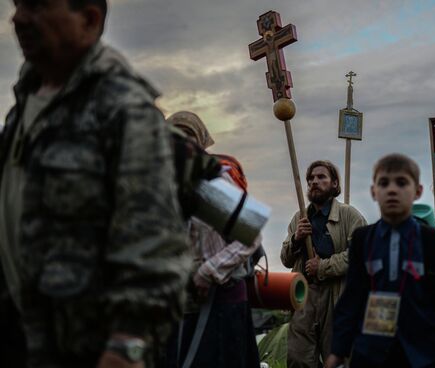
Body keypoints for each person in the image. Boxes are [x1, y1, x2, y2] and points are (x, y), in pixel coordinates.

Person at [0, 1, 190, 367]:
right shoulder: (24, 105)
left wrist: (126, 349)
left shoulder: (123, 108)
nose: (19, 18)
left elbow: (156, 250)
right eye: (18, 4)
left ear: (89, 20)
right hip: (21, 340)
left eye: (37, 6)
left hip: (88, 352)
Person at [326, 153, 435, 367]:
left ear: (417, 191)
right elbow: (352, 299)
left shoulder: (433, 242)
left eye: (402, 182)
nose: (392, 190)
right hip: (371, 354)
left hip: (423, 356)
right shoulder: (363, 240)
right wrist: (337, 350)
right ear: (373, 192)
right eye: (384, 183)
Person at [165, 112, 261, 368]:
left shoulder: (212, 179)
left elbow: (250, 235)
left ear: (201, 142)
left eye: (189, 136)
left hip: (222, 304)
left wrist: (208, 271)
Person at [281, 160, 366, 367]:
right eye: (311, 179)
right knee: (299, 357)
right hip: (305, 296)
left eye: (321, 177)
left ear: (335, 184)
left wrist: (323, 267)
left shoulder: (349, 215)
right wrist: (296, 239)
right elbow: (285, 259)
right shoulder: (299, 218)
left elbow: (360, 255)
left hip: (337, 295)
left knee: (336, 357)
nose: (314, 182)